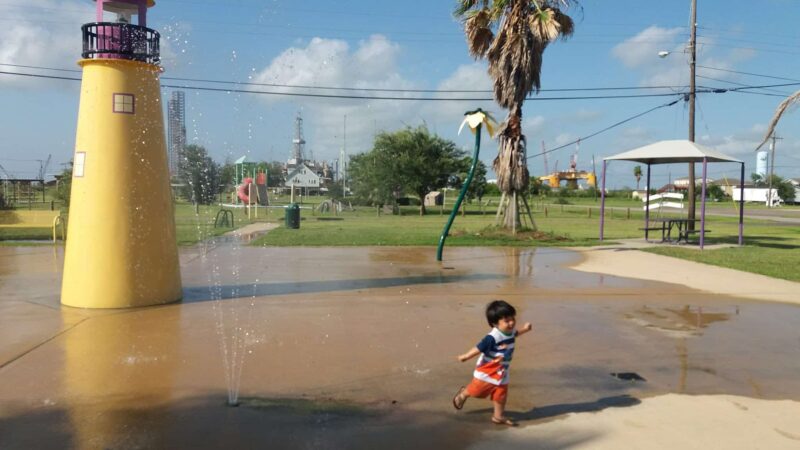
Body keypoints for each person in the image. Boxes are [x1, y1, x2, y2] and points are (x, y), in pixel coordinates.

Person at [452, 300, 532, 426]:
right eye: (507, 321)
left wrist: (525, 329)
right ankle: (464, 394)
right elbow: (479, 348)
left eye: (512, 319)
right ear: (495, 323)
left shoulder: (509, 331)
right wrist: (466, 356)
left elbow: (515, 334)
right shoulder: (492, 337)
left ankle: (498, 416)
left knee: (501, 395)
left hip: (502, 371)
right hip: (487, 370)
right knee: (477, 391)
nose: (511, 323)